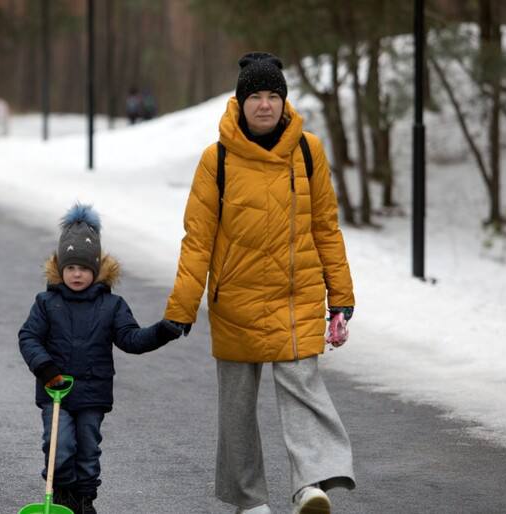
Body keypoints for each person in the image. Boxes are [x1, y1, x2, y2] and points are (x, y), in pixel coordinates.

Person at [164, 52, 356, 514]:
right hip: (236, 299)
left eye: (273, 95)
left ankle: (310, 486)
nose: (265, 105)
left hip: (296, 295)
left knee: (303, 391)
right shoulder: (218, 160)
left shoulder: (308, 151)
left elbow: (326, 227)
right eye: (256, 96)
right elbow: (198, 239)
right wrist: (181, 309)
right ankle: (250, 501)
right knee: (237, 409)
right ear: (241, 101)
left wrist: (341, 297)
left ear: (284, 101)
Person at [19, 203, 184, 514]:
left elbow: (131, 339)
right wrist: (45, 367)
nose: (77, 274)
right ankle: (63, 495)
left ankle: (84, 501)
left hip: (93, 392)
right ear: (60, 268)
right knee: (59, 446)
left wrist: (161, 332)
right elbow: (28, 337)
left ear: (96, 269)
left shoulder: (112, 306)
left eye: (83, 268)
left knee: (88, 450)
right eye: (70, 268)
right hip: (56, 391)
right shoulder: (45, 303)